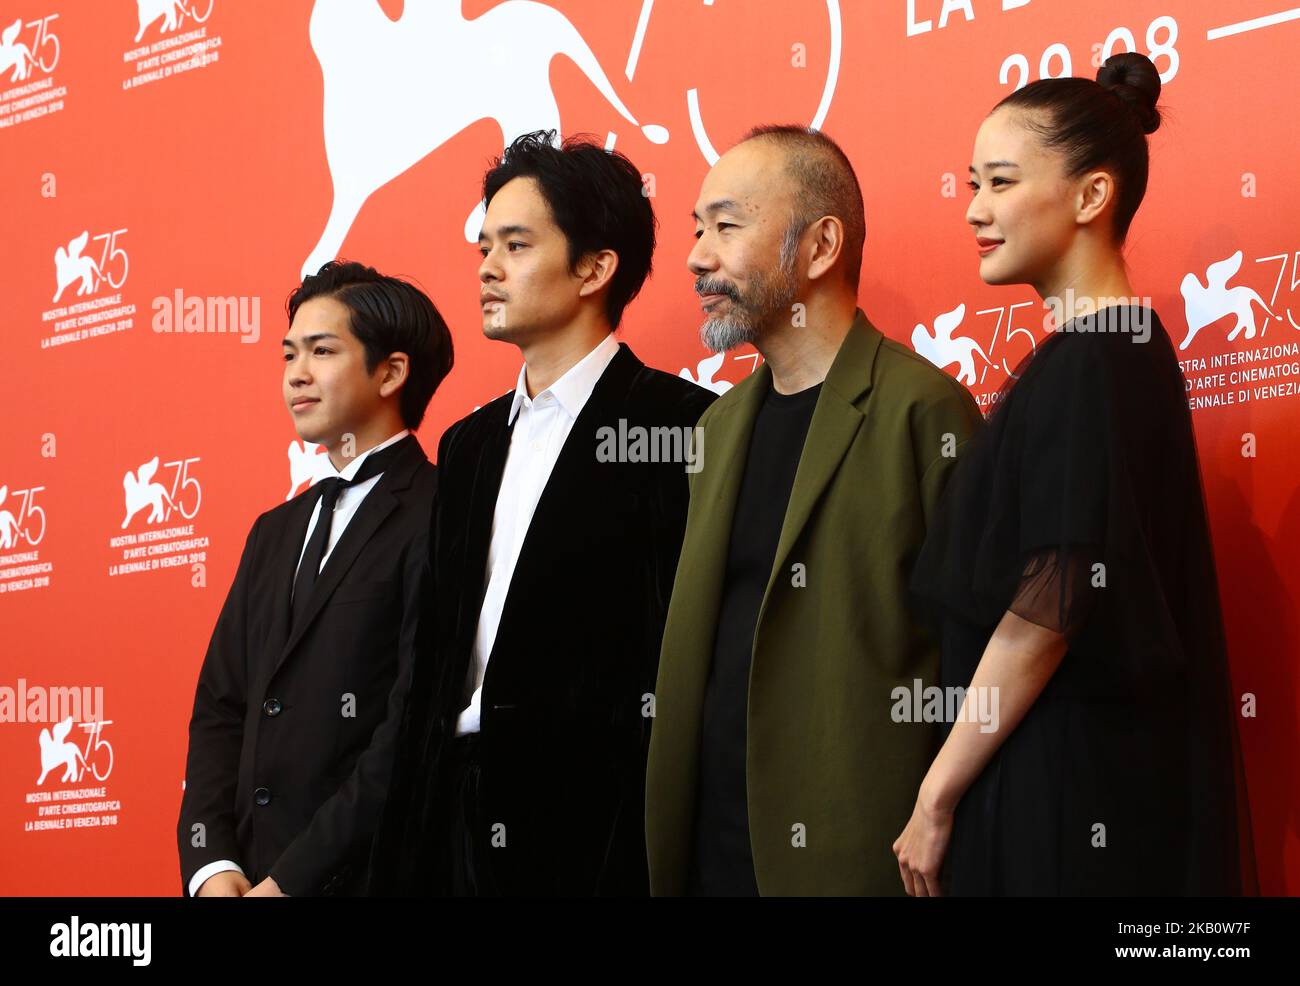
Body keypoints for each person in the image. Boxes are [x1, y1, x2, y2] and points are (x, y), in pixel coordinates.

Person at [897, 52, 1257, 896]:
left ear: (1092, 196)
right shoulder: (1120, 348)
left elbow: (1046, 610)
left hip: (1060, 798)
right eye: (970, 184)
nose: (975, 211)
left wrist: (935, 796)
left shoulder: (1096, 360)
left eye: (999, 182)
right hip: (1074, 779)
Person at [368, 131, 715, 896]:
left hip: (590, 828)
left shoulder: (682, 424)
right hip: (448, 816)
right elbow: (432, 652)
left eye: (516, 245)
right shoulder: (467, 444)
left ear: (595, 267)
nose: (488, 268)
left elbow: (680, 651)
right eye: (484, 245)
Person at [644, 125, 983, 895]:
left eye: (727, 227)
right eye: (698, 230)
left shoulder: (922, 411)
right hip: (707, 855)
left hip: (853, 855)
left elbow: (977, 660)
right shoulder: (717, 429)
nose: (698, 256)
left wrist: (936, 814)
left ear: (821, 246)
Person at [176, 260, 452, 896]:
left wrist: (289, 884)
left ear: (392, 371)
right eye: (288, 354)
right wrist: (214, 868)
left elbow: (412, 724)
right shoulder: (273, 531)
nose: (296, 374)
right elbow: (222, 708)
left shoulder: (442, 510)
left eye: (322, 351)